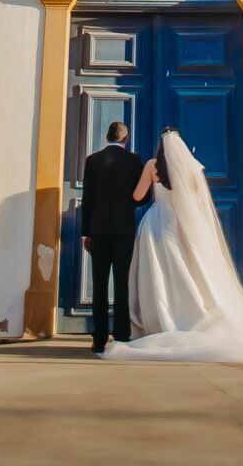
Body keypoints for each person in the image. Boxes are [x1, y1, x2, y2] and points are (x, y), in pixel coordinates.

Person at [103, 128, 243, 363]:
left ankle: (161, 320)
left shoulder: (151, 166)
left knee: (159, 273)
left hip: (157, 224)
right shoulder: (192, 166)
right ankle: (195, 314)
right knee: (190, 270)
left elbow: (137, 196)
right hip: (184, 223)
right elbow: (198, 196)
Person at [80, 120, 144, 354]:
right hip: (124, 230)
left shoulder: (93, 160)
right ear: (125, 139)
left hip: (98, 231)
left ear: (107, 138)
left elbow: (87, 199)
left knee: (98, 284)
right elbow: (140, 197)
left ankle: (98, 337)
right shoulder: (134, 161)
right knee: (121, 283)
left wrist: (86, 233)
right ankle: (121, 335)